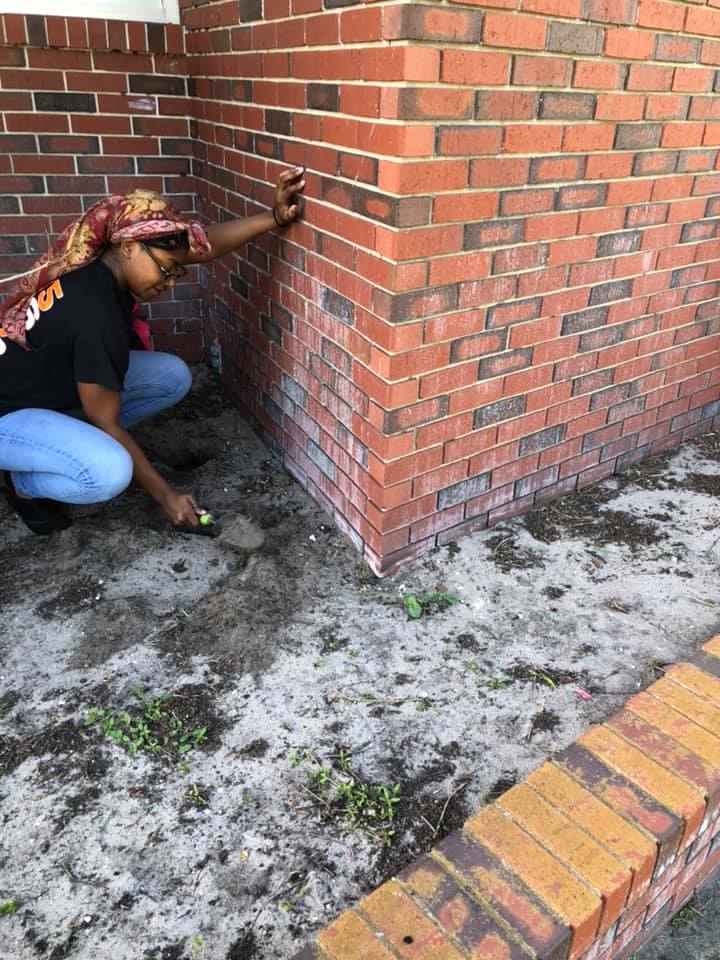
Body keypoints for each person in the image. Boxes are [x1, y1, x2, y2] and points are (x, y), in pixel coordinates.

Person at [0, 166, 305, 535]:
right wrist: (166, 495)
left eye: (177, 271)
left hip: (42, 384)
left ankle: (62, 441)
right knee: (109, 471)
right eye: (167, 270)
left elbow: (202, 245)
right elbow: (105, 419)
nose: (169, 282)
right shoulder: (97, 314)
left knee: (169, 376)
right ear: (129, 247)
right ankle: (22, 483)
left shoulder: (97, 261)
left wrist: (274, 217)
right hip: (8, 415)